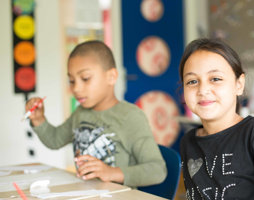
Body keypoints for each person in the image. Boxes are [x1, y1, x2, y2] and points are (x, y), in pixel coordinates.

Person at [25, 40, 166, 187]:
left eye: (85, 78)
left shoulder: (130, 117)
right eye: (72, 81)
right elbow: (54, 140)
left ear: (111, 77)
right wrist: (38, 119)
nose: (76, 88)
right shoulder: (80, 113)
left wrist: (111, 172)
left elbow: (157, 170)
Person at [179, 38, 254, 199]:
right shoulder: (188, 142)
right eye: (192, 81)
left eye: (215, 79)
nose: (203, 89)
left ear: (239, 84)